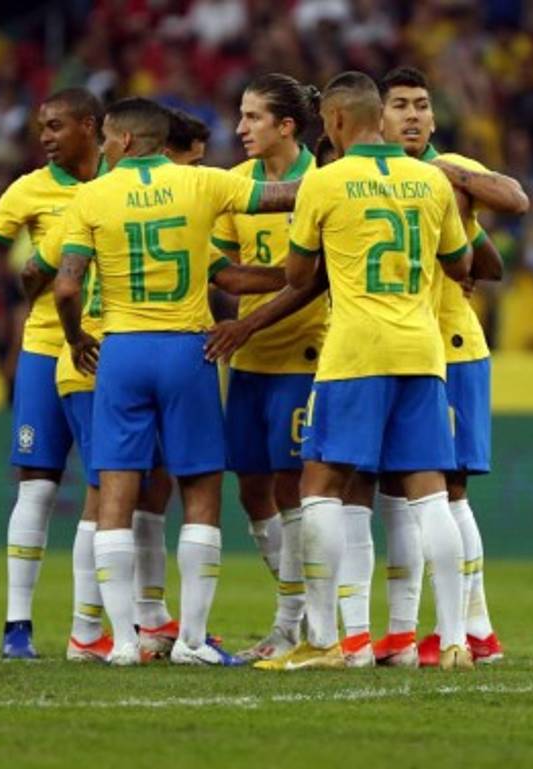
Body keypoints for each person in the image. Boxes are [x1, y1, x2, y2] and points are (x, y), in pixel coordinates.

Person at [25, 107, 286, 661]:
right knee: (201, 493)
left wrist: (74, 341)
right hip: (185, 349)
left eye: (104, 137)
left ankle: (122, 640)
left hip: (120, 351)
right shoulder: (202, 182)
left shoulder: (91, 197)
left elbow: (65, 287)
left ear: (122, 138)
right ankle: (191, 639)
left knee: (115, 493)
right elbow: (287, 197)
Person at [252, 71, 474, 672]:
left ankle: (326, 641)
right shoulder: (429, 180)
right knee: (430, 492)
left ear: (341, 122)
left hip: (353, 353)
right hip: (421, 350)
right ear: (382, 116)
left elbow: (299, 277)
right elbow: (463, 262)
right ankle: (453, 640)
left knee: (319, 485)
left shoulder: (325, 181)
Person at [358, 65, 524, 668]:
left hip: (451, 348)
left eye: (420, 105)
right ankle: (405, 631)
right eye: (399, 104)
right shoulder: (371, 177)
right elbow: (490, 262)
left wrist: (450, 174)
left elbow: (516, 200)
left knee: (448, 490)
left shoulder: (448, 169)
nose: (410, 115)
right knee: (402, 490)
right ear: (378, 118)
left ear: (433, 118)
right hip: (399, 346)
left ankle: (475, 629)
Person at [0, 88, 109, 659]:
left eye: (57, 126)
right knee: (37, 487)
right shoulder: (29, 187)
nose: (45, 136)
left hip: (108, 347)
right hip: (45, 348)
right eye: (42, 126)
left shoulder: (120, 183)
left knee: (105, 490)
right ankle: (17, 627)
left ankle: (88, 629)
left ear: (90, 127)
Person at [207, 74, 329, 663]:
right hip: (249, 356)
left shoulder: (325, 183)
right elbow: (226, 275)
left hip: (307, 352)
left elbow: (321, 281)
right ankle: (297, 610)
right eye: (240, 115)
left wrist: (290, 288)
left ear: (286, 126)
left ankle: (292, 624)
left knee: (291, 484)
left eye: (253, 118)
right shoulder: (232, 187)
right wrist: (295, 274)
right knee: (251, 486)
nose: (239, 129)